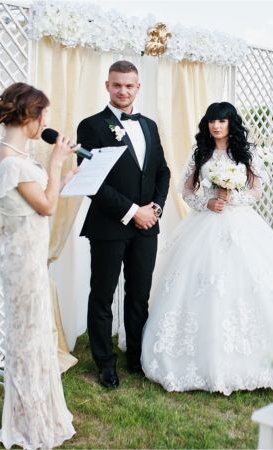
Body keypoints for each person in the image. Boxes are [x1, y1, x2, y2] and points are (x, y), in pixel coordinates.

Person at [140, 102, 273, 395]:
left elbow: (256, 190)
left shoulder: (246, 152)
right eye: (212, 121)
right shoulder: (200, 153)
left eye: (222, 121)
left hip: (241, 223)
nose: (216, 126)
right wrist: (208, 203)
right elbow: (187, 191)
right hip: (204, 224)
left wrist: (232, 199)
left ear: (231, 124)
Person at [0, 83, 76, 449]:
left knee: (31, 336)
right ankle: (28, 420)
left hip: (21, 255)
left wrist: (64, 178)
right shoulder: (13, 161)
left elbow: (39, 200)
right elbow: (47, 207)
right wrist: (55, 163)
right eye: (43, 116)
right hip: (23, 262)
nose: (45, 124)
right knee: (29, 338)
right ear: (31, 116)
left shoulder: (2, 155)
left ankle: (33, 411)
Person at [76, 60, 170, 389]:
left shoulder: (149, 126)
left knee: (139, 294)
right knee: (102, 294)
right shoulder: (91, 126)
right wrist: (133, 211)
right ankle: (105, 363)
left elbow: (162, 171)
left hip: (148, 226)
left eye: (129, 85)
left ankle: (136, 357)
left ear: (138, 87)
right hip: (109, 225)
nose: (123, 91)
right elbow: (93, 182)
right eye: (117, 85)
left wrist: (155, 208)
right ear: (107, 86)